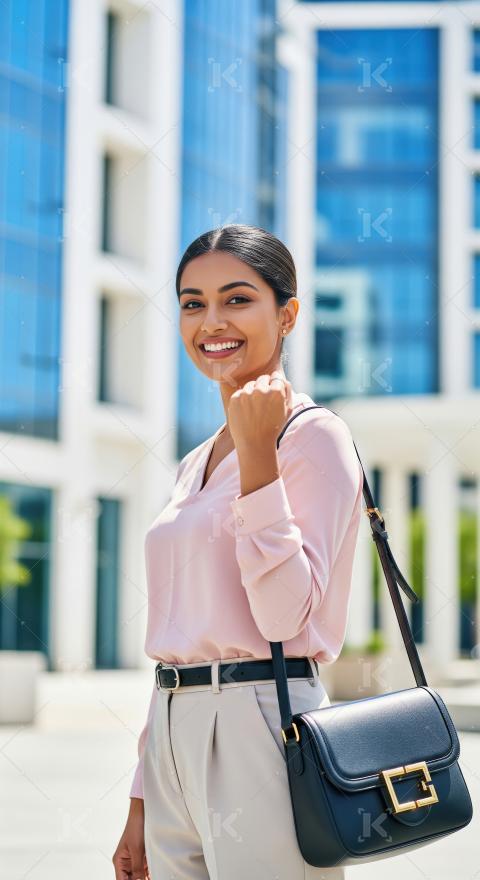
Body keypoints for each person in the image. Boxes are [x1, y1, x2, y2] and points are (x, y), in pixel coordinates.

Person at [112, 224, 363, 880]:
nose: (211, 321)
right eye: (192, 303)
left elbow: (284, 619)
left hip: (262, 721)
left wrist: (259, 460)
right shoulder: (195, 461)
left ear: (287, 314)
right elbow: (178, 638)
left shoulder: (315, 438)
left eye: (236, 299)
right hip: (171, 726)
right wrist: (142, 795)